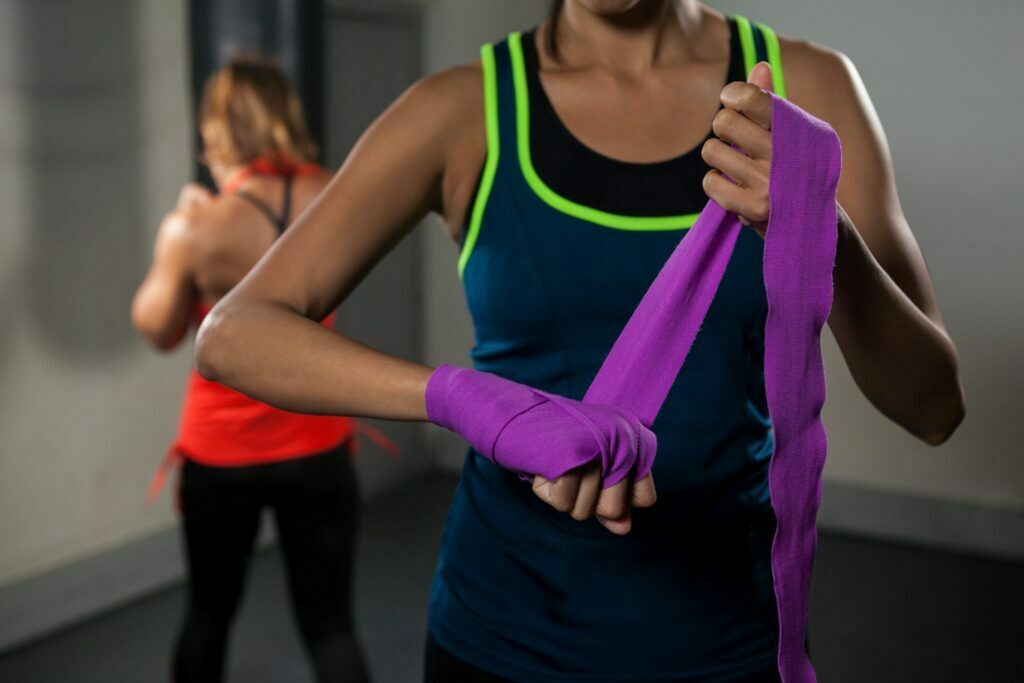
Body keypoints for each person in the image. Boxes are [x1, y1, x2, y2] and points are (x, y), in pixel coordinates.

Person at [193, 2, 965, 681]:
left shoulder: (808, 90)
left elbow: (934, 408)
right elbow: (233, 332)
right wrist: (458, 397)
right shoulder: (464, 108)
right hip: (502, 633)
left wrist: (818, 229)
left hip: (728, 635)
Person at [131, 59, 369, 683]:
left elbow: (157, 330)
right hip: (316, 441)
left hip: (222, 451)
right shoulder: (335, 196)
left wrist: (177, 236)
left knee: (208, 615)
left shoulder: (195, 225)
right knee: (332, 627)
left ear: (216, 132)